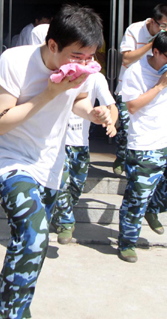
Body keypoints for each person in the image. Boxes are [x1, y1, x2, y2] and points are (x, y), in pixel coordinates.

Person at [0, 3, 112, 319]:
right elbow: (1, 122)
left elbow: (80, 102)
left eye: (91, 57)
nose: (85, 64)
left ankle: (14, 303)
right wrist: (49, 93)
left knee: (32, 243)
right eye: (77, 56)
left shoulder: (83, 67)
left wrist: (94, 114)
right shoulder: (14, 61)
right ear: (52, 45)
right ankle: (11, 313)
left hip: (50, 166)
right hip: (11, 159)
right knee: (35, 233)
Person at [117, 30, 167, 263]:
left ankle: (154, 208)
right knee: (137, 197)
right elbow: (132, 106)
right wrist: (161, 84)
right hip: (143, 144)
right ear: (156, 52)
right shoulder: (136, 72)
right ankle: (127, 243)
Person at [52, 72, 118, 245]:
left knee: (76, 187)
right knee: (61, 181)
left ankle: (58, 215)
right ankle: (66, 223)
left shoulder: (96, 77)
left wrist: (111, 122)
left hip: (80, 143)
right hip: (57, 142)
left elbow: (111, 105)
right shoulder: (59, 72)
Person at [113, 4, 167, 176]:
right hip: (130, 87)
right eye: (163, 26)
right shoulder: (135, 29)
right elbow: (126, 59)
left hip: (154, 89)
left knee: (143, 128)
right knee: (126, 127)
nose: (166, 30)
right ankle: (121, 157)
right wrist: (151, 45)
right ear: (153, 21)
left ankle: (140, 164)